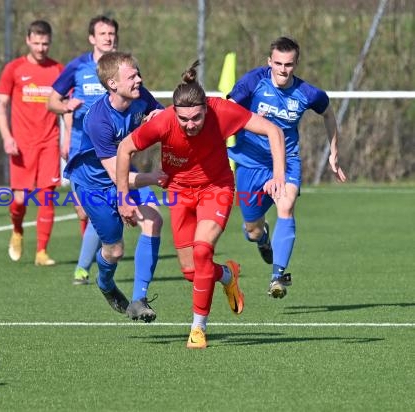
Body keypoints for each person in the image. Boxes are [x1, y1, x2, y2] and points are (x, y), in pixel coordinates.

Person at [116, 61, 286, 349]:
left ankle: (198, 328)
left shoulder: (222, 111)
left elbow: (273, 131)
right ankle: (227, 274)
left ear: (206, 108)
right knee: (191, 271)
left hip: (215, 188)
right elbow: (125, 148)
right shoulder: (164, 121)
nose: (190, 125)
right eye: (184, 120)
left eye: (196, 118)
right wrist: (122, 198)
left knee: (203, 250)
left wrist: (279, 174)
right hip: (179, 193)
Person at [227, 36, 347, 299]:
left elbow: (328, 113)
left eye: (289, 64)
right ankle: (262, 238)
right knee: (252, 228)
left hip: (288, 160)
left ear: (296, 64)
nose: (283, 69)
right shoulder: (252, 82)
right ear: (269, 62)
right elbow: (229, 111)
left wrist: (334, 152)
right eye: (278, 63)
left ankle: (277, 276)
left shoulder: (307, 93)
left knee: (286, 204)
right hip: (250, 163)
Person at [64, 51, 165, 323]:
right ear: (113, 84)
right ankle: (105, 284)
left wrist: (162, 118)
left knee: (153, 220)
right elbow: (117, 176)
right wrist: (155, 178)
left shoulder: (140, 96)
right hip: (93, 185)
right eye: (132, 76)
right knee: (115, 250)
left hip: (123, 175)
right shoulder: (98, 120)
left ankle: (139, 300)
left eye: (138, 74)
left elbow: (165, 121)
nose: (139, 80)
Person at [47, 15, 119, 286]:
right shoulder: (77, 66)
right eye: (102, 33)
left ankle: (82, 268)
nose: (108, 37)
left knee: (102, 207)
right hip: (81, 152)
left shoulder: (123, 67)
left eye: (111, 33)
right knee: (84, 212)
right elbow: (51, 101)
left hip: (112, 151)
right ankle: (102, 253)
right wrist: (66, 108)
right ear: (92, 38)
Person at [0, 20, 63, 266]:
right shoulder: (14, 69)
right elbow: (1, 106)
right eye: (36, 43)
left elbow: (66, 108)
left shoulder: (58, 70)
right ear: (28, 41)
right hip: (21, 145)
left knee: (47, 196)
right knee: (19, 201)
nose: (41, 47)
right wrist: (6, 137)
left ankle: (42, 252)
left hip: (49, 142)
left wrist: (66, 139)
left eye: (45, 43)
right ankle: (17, 229)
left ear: (50, 42)